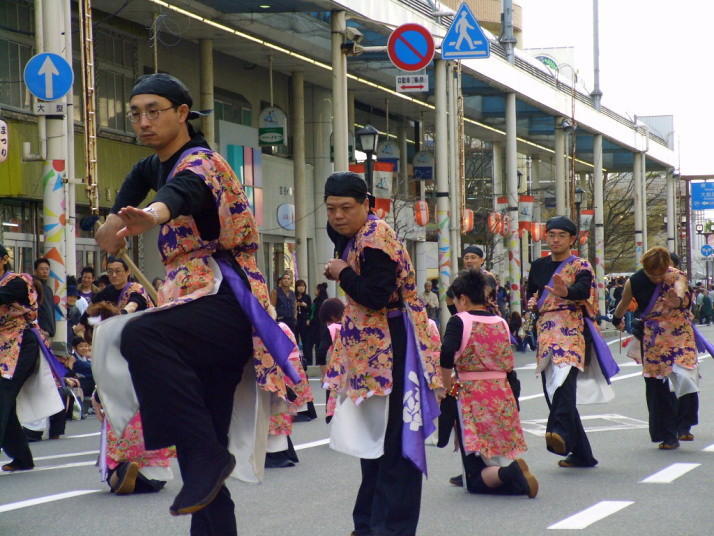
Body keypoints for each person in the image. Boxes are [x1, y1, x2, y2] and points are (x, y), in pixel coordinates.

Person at [92, 73, 298, 534]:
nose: (143, 121)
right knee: (201, 462)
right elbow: (139, 178)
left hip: (226, 300)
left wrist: (149, 216)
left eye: (154, 111)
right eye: (136, 113)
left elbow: (178, 194)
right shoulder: (159, 163)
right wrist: (113, 219)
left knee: (138, 333)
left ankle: (205, 454)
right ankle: (205, 466)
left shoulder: (201, 164)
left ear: (183, 114)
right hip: (193, 303)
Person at [321, 171, 441, 536]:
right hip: (370, 349)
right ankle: (369, 525)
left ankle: (390, 528)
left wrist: (341, 273)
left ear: (367, 205)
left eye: (346, 208)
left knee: (395, 445)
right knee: (374, 443)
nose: (338, 216)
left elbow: (374, 295)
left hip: (394, 345)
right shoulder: (352, 235)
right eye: (330, 209)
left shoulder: (376, 237)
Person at [526, 216, 618, 469]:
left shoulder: (581, 266)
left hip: (571, 331)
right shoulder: (538, 266)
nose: (555, 239)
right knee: (551, 389)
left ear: (572, 239)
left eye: (561, 235)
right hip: (545, 331)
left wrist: (565, 292)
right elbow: (531, 293)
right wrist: (532, 304)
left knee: (563, 385)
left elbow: (582, 292)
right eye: (551, 234)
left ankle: (559, 435)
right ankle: (582, 455)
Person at [439, 270, 537, 498]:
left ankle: (509, 473)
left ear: (462, 298)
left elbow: (446, 353)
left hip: (472, 395)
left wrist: (446, 386)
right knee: (497, 448)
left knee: (475, 474)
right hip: (502, 393)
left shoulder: (459, 321)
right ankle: (511, 475)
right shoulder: (500, 322)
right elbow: (508, 361)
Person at [612, 247, 705, 449]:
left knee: (686, 378)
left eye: (660, 273)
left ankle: (684, 424)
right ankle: (667, 435)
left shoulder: (676, 276)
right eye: (652, 273)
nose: (656, 278)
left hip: (680, 334)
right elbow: (624, 302)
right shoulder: (634, 281)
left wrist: (678, 299)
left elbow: (680, 290)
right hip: (654, 339)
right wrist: (616, 318)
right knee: (658, 388)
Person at [1, 244, 66, 470]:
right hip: (3, 347)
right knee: (4, 402)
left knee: (2, 394)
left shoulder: (18, 281)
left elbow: (4, 297)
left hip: (21, 344)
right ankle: (22, 457)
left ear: (2, 260)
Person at [265, 316, 313, 468]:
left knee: (267, 413)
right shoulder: (281, 326)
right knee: (279, 408)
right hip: (284, 366)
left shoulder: (263, 328)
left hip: (267, 370)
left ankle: (272, 453)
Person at [447, 246, 498, 316]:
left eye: (473, 257)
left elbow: (488, 297)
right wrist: (457, 313)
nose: (469, 261)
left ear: (481, 261)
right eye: (466, 258)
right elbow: (449, 297)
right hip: (466, 318)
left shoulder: (488, 277)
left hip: (486, 317)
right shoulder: (460, 278)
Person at [33, 258, 56, 339]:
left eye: (47, 269)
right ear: (35, 271)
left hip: (48, 333)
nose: (45, 271)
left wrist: (51, 332)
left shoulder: (48, 290)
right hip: (38, 332)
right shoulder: (32, 288)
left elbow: (51, 312)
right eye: (41, 269)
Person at [308, 282, 329, 366]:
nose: (314, 291)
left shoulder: (318, 301)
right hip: (322, 326)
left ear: (319, 290)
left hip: (318, 326)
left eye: (316, 289)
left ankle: (319, 364)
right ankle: (320, 364)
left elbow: (315, 314)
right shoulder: (325, 300)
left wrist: (310, 320)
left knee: (318, 345)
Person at [271, 271, 297, 335]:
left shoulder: (292, 293)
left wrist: (295, 317)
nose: (286, 280)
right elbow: (272, 307)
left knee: (291, 340)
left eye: (288, 279)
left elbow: (294, 305)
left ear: (291, 281)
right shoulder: (276, 291)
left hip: (291, 320)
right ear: (281, 281)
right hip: (280, 319)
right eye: (284, 278)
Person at [294, 279, 312, 365]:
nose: (301, 288)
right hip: (294, 321)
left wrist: (305, 305)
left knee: (306, 341)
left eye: (303, 286)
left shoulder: (307, 297)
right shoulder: (293, 296)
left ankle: (308, 360)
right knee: (295, 340)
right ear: (296, 287)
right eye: (299, 286)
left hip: (304, 321)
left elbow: (311, 309)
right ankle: (296, 359)